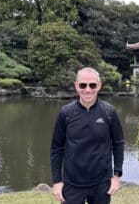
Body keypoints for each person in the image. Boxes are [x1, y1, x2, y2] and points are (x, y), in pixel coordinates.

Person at [50, 67, 124, 204]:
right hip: (72, 183)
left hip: (101, 182)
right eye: (83, 85)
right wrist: (57, 181)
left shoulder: (109, 112)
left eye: (92, 85)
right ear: (76, 86)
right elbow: (56, 148)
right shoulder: (65, 113)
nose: (88, 90)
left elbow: (118, 143)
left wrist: (116, 176)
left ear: (99, 86)